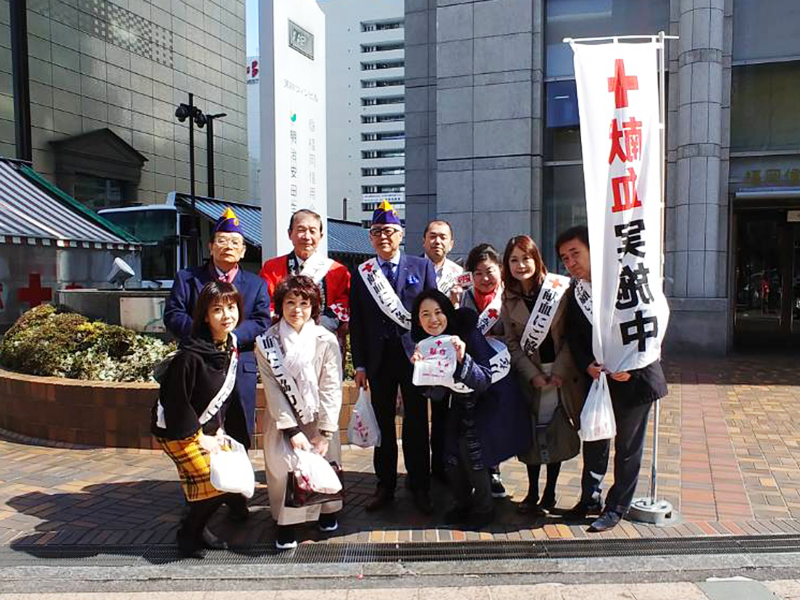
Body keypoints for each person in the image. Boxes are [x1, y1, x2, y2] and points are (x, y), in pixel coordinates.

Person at [557, 225, 668, 532]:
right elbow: (574, 336)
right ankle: (589, 498)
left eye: (575, 253)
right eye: (565, 258)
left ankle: (617, 506)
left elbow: (651, 322)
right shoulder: (575, 292)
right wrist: (587, 365)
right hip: (600, 379)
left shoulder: (627, 281)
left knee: (628, 447)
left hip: (635, 378)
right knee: (595, 438)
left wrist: (631, 364)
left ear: (594, 250)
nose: (571, 263)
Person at [163, 207, 270, 520]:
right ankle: (199, 495)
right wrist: (207, 334)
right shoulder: (189, 278)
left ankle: (235, 495)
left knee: (238, 430)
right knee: (197, 431)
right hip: (198, 365)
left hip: (239, 364)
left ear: (243, 248)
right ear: (211, 246)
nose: (228, 246)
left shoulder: (255, 284)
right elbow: (173, 315)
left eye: (235, 242)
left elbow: (262, 319)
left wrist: (230, 334)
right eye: (221, 240)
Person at [409, 289, 531, 529]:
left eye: (438, 312)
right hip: (459, 405)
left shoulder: (466, 333)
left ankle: (484, 510)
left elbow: (484, 378)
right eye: (425, 315)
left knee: (473, 454)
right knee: (451, 456)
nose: (433, 320)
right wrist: (422, 373)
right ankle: (462, 504)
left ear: (447, 312)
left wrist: (463, 358)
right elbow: (438, 393)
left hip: (488, 402)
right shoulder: (425, 346)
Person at [349, 200, 438, 514]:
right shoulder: (362, 274)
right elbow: (357, 322)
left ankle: (419, 486)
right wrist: (359, 364)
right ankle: (384, 485)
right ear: (370, 237)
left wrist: (429, 352)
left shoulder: (421, 266)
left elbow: (433, 316)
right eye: (376, 232)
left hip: (414, 358)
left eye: (388, 231)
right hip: (378, 361)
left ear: (401, 234)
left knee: (415, 424)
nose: (383, 237)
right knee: (382, 425)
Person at [152, 281, 245, 558]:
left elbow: (222, 396)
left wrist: (217, 430)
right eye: (217, 309)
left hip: (205, 428)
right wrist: (199, 435)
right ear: (205, 315)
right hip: (176, 429)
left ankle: (195, 530)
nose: (226, 315)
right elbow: (175, 401)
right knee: (215, 482)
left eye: (231, 307)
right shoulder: (190, 355)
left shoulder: (228, 346)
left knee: (221, 483)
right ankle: (188, 534)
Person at [255, 275, 343, 550]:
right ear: (280, 305)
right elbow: (272, 388)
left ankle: (328, 512)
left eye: (304, 303)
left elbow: (332, 384)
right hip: (284, 418)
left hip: (318, 416)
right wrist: (291, 429)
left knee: (324, 464)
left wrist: (325, 431)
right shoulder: (267, 342)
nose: (297, 309)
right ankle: (287, 523)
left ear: (314, 307)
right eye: (290, 302)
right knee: (286, 470)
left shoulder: (325, 339)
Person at [500, 235, 582, 516]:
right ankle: (532, 490)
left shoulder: (559, 289)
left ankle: (550, 490)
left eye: (526, 258)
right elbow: (511, 342)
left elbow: (573, 335)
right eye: (514, 259)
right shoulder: (507, 297)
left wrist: (559, 371)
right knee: (532, 433)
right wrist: (531, 374)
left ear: (536, 259)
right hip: (530, 376)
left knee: (555, 428)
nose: (521, 265)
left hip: (559, 373)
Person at [451, 243, 508, 498]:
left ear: (500, 270)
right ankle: (478, 470)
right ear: (470, 275)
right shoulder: (464, 296)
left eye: (490, 271)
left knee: (497, 419)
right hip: (474, 370)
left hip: (502, 367)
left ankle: (494, 471)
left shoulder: (507, 296)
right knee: (477, 420)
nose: (485, 278)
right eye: (478, 273)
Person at [260, 209, 351, 334]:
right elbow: (265, 302)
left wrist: (318, 325)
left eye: (312, 231)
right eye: (301, 230)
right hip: (282, 336)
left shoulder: (337, 270)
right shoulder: (272, 268)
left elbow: (344, 304)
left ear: (321, 236)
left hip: (323, 338)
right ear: (290, 234)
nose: (307, 237)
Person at [422, 219, 462, 482]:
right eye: (432, 236)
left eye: (443, 237)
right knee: (419, 414)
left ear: (451, 243)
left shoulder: (460, 274)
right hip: (421, 352)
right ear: (424, 240)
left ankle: (445, 465)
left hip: (449, 353)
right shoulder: (413, 267)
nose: (437, 241)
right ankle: (424, 470)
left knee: (446, 412)